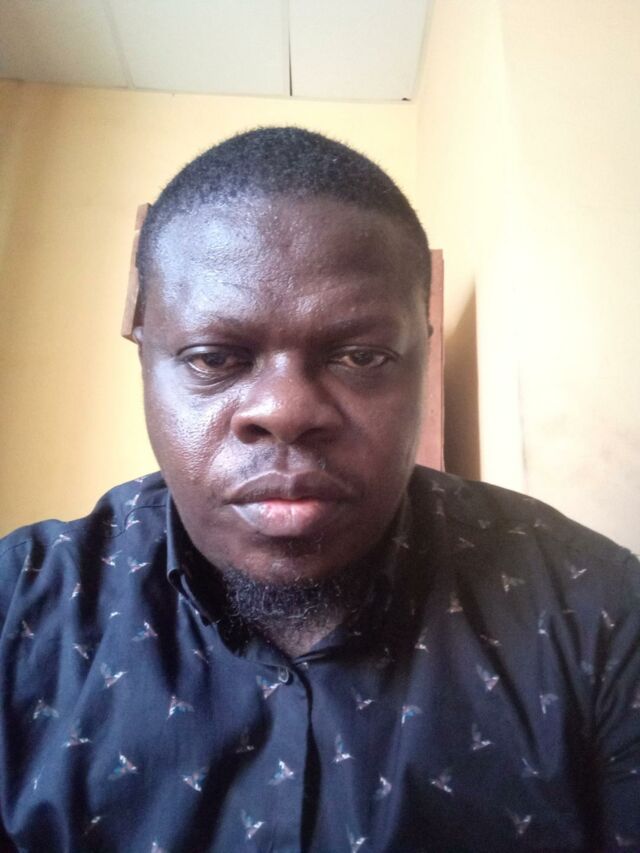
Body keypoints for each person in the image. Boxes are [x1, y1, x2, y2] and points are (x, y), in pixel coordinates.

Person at [1, 127, 639, 853]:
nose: (287, 411)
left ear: (423, 359)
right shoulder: (18, 609)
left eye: (362, 356)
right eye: (213, 358)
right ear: (145, 359)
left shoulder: (595, 609)